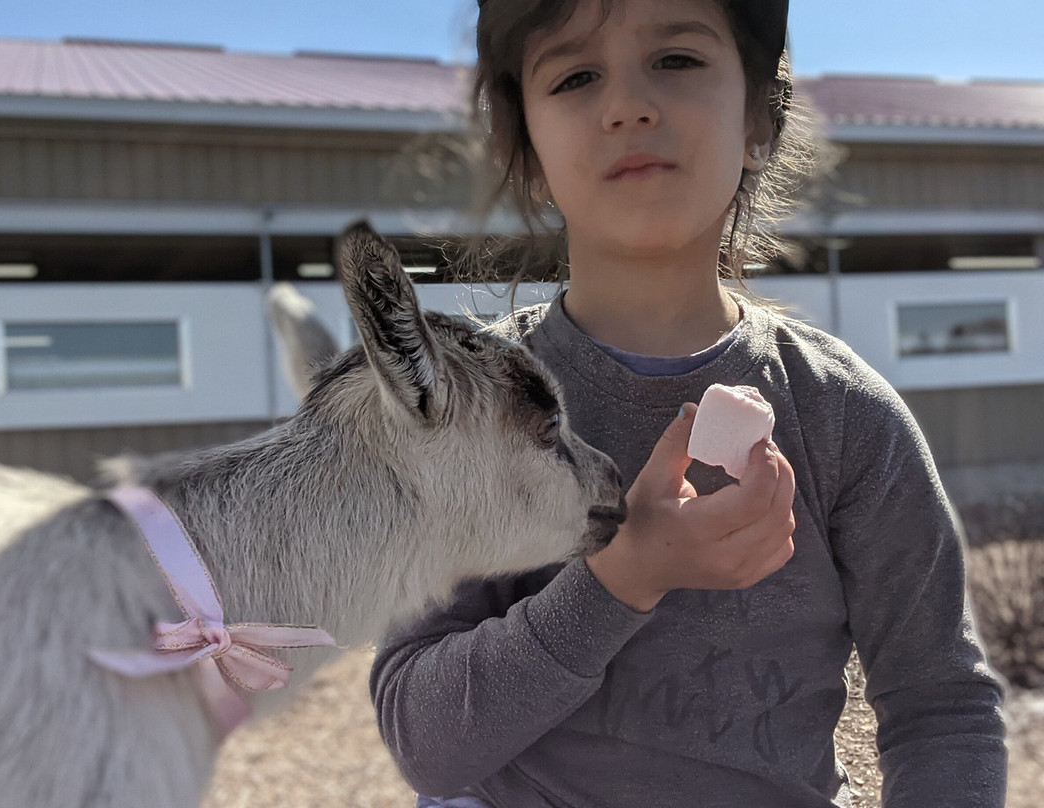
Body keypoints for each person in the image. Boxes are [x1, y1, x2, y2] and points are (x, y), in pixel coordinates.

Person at [370, 0, 1008, 805]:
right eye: (575, 75)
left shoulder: (847, 417)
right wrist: (622, 578)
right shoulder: (468, 415)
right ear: (525, 148)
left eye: (676, 60)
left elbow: (941, 707)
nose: (628, 105)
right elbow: (423, 738)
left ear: (758, 122)